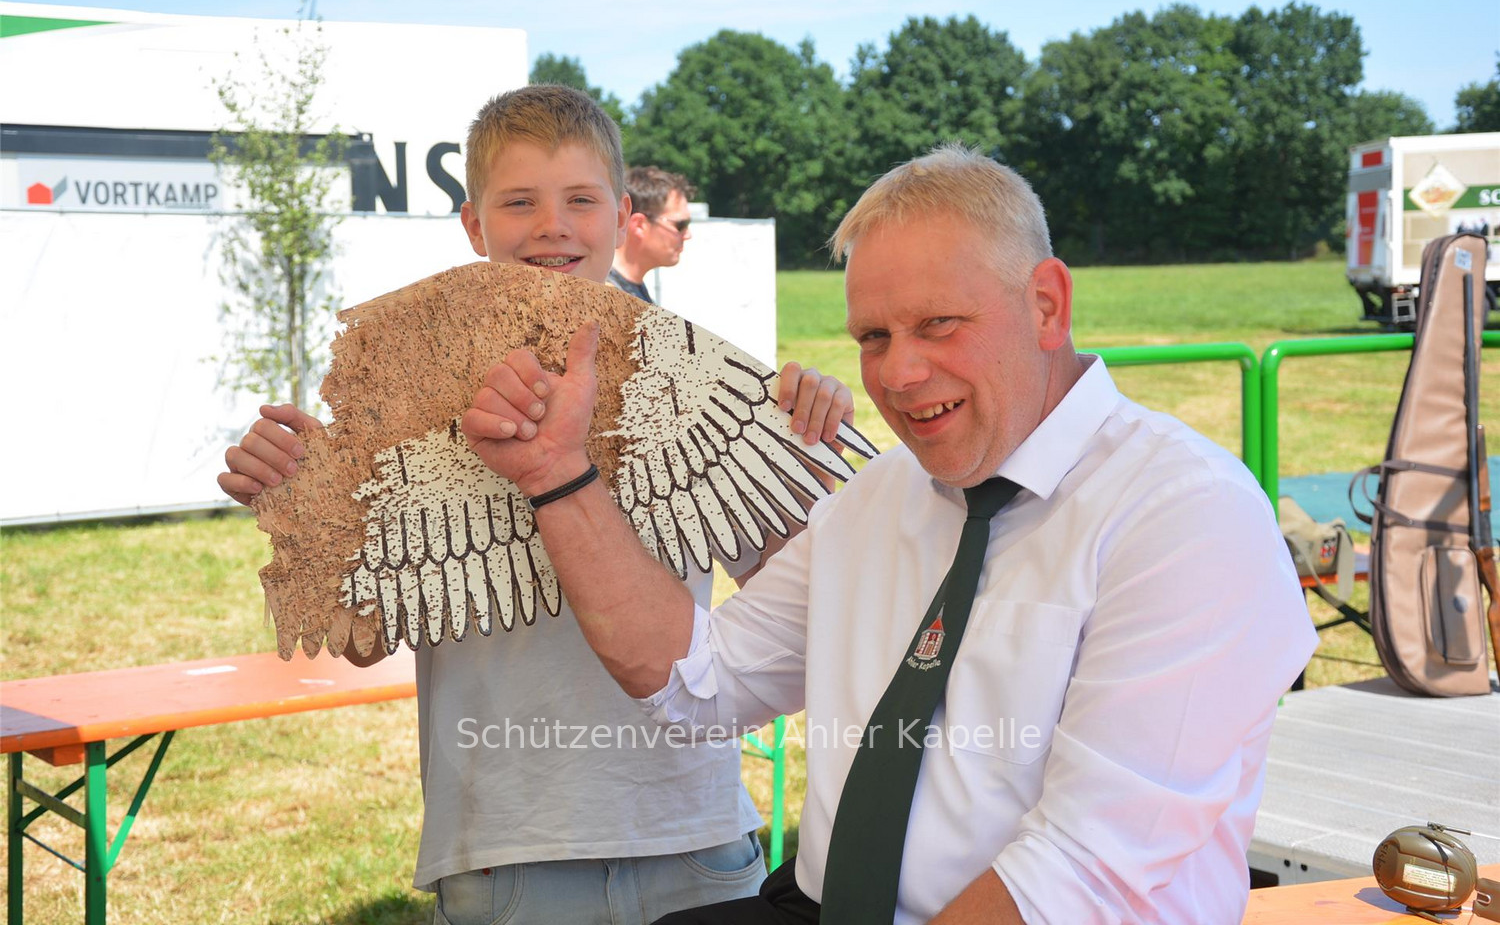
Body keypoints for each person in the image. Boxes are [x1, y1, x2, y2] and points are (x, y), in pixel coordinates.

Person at [459, 144, 1320, 924]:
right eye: (873, 337)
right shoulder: (878, 498)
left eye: (939, 324)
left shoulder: (1185, 514)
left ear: (1047, 306)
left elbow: (1085, 874)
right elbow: (701, 682)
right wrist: (557, 476)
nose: (899, 374)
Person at [217, 84, 856, 925]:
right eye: (519, 202)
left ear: (621, 218)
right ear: (473, 224)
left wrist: (799, 439)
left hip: (694, 841)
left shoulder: (693, 384)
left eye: (580, 201)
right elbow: (362, 639)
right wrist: (303, 508)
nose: (552, 226)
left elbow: (802, 603)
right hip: (507, 858)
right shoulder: (398, 404)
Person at [608, 165, 695, 304]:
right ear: (639, 225)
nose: (688, 235)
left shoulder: (629, 289)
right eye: (680, 225)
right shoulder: (606, 299)